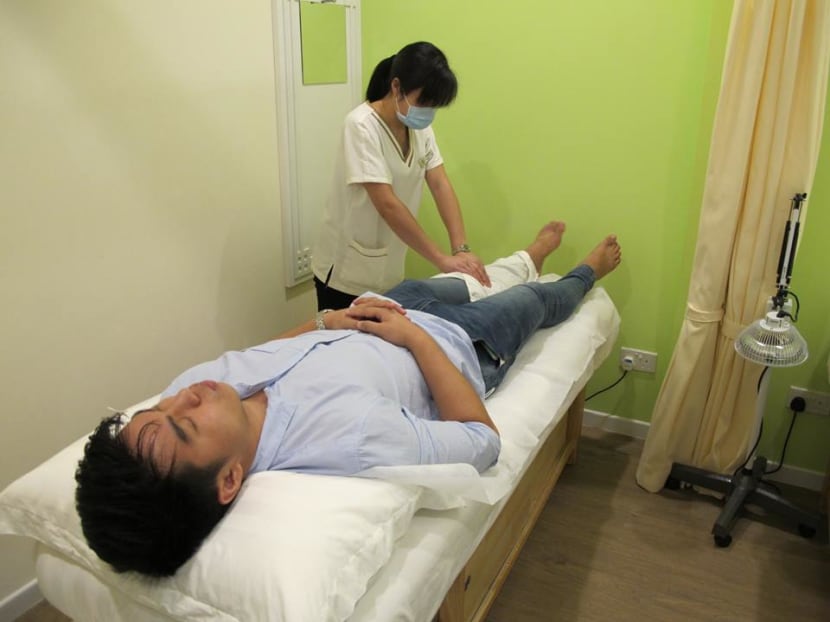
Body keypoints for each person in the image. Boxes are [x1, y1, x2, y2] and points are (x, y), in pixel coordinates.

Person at [75, 223, 621, 577]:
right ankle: (584, 272)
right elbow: (483, 440)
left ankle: (528, 254)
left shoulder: (195, 387)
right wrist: (415, 339)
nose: (185, 398)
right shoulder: (346, 436)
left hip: (385, 304)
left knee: (476, 278)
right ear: (229, 480)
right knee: (536, 301)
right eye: (185, 425)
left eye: (159, 409)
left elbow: (267, 352)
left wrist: (328, 320)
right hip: (462, 344)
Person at [312, 41, 491, 311]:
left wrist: (460, 248)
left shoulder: (420, 130)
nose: (428, 113)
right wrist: (441, 259)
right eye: (424, 103)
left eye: (434, 106)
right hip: (346, 273)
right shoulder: (361, 126)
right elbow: (387, 204)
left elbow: (440, 184)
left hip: (388, 270)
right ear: (396, 87)